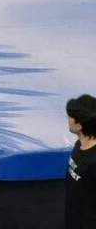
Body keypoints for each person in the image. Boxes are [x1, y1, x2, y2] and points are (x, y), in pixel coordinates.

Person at [65, 95, 96, 229]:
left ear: (78, 125)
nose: (68, 119)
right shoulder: (80, 143)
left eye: (70, 117)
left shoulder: (93, 161)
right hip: (75, 211)